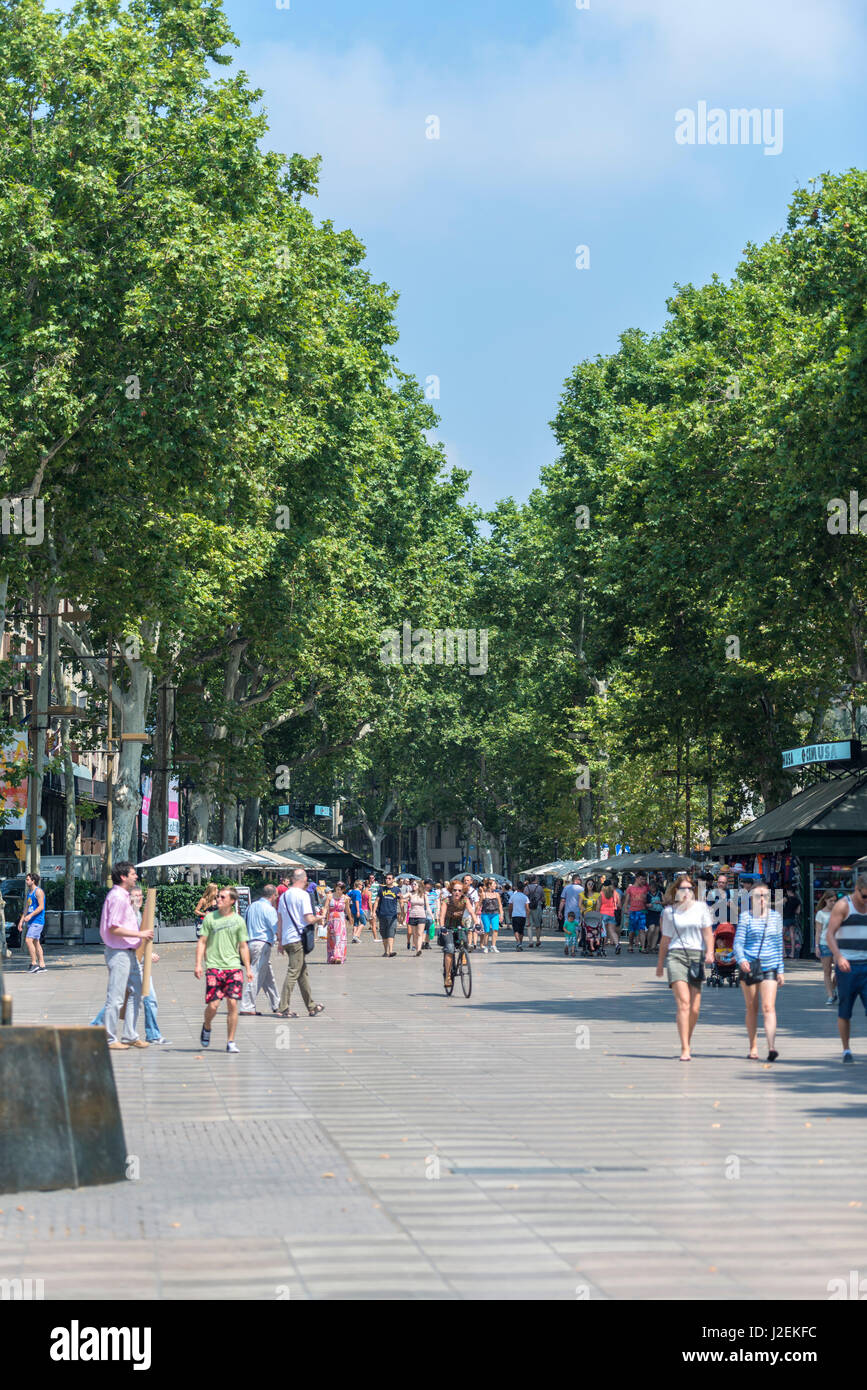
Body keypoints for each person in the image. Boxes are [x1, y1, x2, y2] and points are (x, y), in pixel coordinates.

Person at [655, 876, 714, 1062]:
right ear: (676, 891)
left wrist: (710, 952)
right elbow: (665, 939)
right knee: (684, 1003)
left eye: (689, 888)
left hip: (696, 957)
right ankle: (685, 1048)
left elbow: (708, 934)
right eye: (682, 888)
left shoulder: (702, 909)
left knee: (695, 1009)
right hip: (676, 956)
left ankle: (687, 1038)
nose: (686, 891)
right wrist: (660, 964)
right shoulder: (669, 912)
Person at [98, 861, 153, 1050]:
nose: (136, 876)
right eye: (133, 874)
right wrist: (140, 934)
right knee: (116, 996)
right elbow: (114, 927)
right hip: (118, 952)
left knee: (137, 991)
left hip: (128, 951)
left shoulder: (123, 897)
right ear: (123, 877)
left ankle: (130, 1034)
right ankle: (110, 1038)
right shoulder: (117, 897)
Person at [195, 886, 253, 1052]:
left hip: (233, 967)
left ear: (232, 901)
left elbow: (243, 946)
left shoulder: (238, 921)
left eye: (222, 897)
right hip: (214, 966)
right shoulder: (210, 918)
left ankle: (230, 1041)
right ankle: (207, 1026)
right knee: (213, 1006)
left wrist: (248, 968)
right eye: (218, 897)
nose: (218, 899)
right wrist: (198, 964)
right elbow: (202, 942)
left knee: (233, 1003)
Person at [734, 880, 784, 1062]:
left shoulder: (776, 917)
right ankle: (753, 1046)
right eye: (757, 896)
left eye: (764, 896)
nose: (761, 899)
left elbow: (778, 944)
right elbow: (738, 942)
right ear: (752, 898)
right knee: (752, 1008)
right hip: (750, 966)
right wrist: (742, 960)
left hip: (769, 965)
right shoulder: (746, 917)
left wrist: (781, 970)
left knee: (768, 1007)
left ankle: (771, 1047)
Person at [824, 873, 867, 1062]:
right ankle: (846, 1049)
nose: (866, 900)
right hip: (848, 966)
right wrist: (839, 957)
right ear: (856, 889)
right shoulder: (843, 905)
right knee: (845, 1010)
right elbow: (830, 935)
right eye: (864, 896)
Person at [276, 868, 324, 1017]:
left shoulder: (283, 896)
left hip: (287, 938)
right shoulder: (303, 895)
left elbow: (280, 920)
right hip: (298, 939)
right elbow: (308, 918)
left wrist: (280, 941)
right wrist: (320, 918)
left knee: (302, 972)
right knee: (293, 972)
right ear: (303, 880)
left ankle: (311, 1006)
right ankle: (283, 1007)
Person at [240, 884, 281, 1015]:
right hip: (262, 944)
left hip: (250, 943)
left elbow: (244, 924)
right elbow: (275, 928)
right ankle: (247, 1006)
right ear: (273, 895)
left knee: (268, 977)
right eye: (276, 895)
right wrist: (282, 942)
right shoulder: (269, 909)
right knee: (256, 974)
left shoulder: (251, 907)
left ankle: (277, 1004)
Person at [438, 878, 470, 987]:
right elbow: (441, 916)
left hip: (459, 926)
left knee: (465, 941)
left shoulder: (465, 900)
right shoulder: (446, 901)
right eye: (455, 890)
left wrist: (478, 924)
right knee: (450, 949)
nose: (457, 892)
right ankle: (447, 977)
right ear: (451, 890)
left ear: (463, 891)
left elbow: (472, 912)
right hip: (448, 928)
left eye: (460, 890)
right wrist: (442, 927)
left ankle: (463, 955)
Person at [814, 890, 837, 1004]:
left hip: (838, 944)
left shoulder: (839, 912)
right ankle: (830, 995)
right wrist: (817, 946)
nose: (833, 903)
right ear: (825, 900)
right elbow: (818, 931)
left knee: (839, 970)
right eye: (831, 900)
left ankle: (833, 989)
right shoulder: (820, 913)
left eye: (834, 900)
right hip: (824, 944)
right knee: (827, 971)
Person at [21, 871, 46, 973]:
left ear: (33, 880)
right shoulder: (29, 893)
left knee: (28, 940)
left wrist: (31, 915)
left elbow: (41, 907)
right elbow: (26, 908)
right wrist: (21, 921)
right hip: (31, 921)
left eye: (27, 879)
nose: (26, 881)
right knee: (36, 943)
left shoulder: (38, 892)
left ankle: (34, 963)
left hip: (38, 921)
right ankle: (42, 965)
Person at [375, 872, 400, 957]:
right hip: (382, 914)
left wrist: (402, 913)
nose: (387, 880)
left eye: (389, 878)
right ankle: (386, 951)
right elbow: (377, 901)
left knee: (391, 933)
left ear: (393, 880)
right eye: (386, 878)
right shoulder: (381, 889)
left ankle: (391, 951)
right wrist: (373, 912)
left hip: (392, 915)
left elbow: (401, 901)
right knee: (384, 934)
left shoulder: (397, 890)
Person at [624, 872, 650, 953]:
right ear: (637, 878)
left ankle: (642, 947)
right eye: (641, 879)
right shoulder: (630, 888)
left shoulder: (645, 888)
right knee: (632, 931)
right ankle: (630, 945)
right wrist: (625, 909)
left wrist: (646, 901)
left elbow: (646, 900)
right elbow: (626, 901)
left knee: (642, 930)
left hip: (642, 911)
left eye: (644, 879)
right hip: (633, 911)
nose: (643, 881)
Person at [327, 881, 351, 964]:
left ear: (343, 890)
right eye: (337, 889)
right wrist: (324, 919)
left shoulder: (346, 898)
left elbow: (347, 909)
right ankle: (331, 956)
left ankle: (338, 956)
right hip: (331, 920)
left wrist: (350, 918)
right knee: (332, 939)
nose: (338, 891)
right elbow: (326, 908)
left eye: (340, 889)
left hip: (340, 920)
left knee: (339, 939)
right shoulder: (330, 896)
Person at [405, 879, 431, 955]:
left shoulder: (423, 894)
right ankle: (417, 948)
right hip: (412, 916)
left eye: (415, 884)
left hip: (422, 916)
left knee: (420, 933)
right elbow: (403, 896)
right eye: (412, 884)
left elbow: (427, 906)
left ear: (419, 886)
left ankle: (418, 950)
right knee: (415, 934)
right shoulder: (410, 894)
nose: (413, 886)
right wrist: (399, 895)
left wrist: (431, 916)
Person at [478, 878, 503, 954]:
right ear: (489, 885)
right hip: (485, 914)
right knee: (487, 930)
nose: (495, 886)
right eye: (494, 884)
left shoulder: (497, 894)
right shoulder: (483, 894)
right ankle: (486, 946)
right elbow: (479, 904)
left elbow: (500, 905)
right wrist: (476, 912)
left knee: (495, 930)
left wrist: (501, 915)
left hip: (495, 914)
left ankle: (493, 946)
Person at [599, 880, 622, 953]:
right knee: (612, 931)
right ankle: (617, 944)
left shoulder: (601, 893)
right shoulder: (615, 893)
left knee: (604, 932)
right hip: (612, 913)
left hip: (603, 913)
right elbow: (619, 905)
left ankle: (602, 947)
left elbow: (599, 905)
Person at [526, 875, 546, 949]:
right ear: (536, 880)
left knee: (529, 924)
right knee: (538, 925)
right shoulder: (540, 888)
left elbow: (525, 897)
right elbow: (543, 898)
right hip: (537, 906)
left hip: (528, 907)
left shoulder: (526, 887)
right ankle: (538, 940)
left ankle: (530, 941)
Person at [782, 888, 802, 960]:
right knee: (792, 936)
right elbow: (798, 912)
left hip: (785, 918)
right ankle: (792, 953)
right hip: (792, 918)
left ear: (789, 891)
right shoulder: (797, 900)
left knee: (781, 935)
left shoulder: (786, 898)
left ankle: (784, 953)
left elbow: (779, 904)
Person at [510, 880, 529, 950]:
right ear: (523, 889)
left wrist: (509, 914)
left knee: (516, 930)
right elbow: (527, 908)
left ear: (517, 888)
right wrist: (528, 918)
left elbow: (510, 907)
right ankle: (520, 943)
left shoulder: (513, 896)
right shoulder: (525, 897)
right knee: (521, 931)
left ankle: (518, 942)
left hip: (515, 915)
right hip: (523, 916)